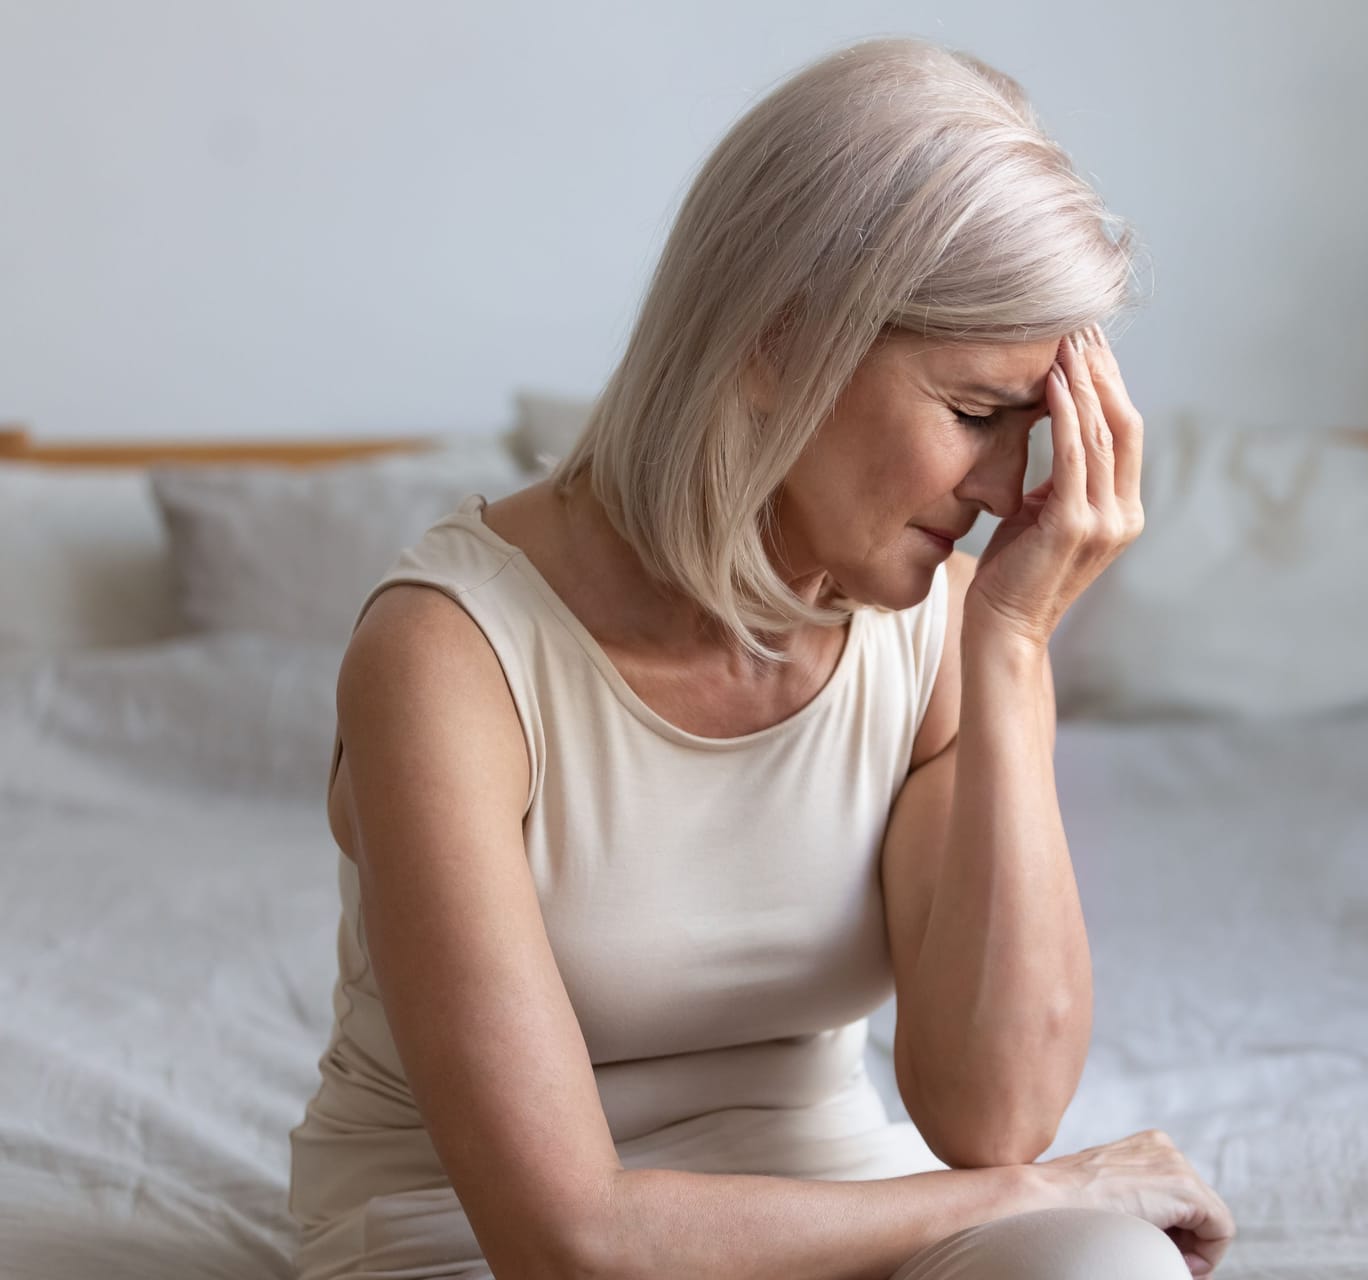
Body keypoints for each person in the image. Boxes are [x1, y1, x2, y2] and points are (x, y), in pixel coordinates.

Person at [286, 33, 1234, 1280]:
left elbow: (991, 1117)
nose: (1014, 489)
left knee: (1102, 1269)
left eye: (1035, 426)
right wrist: (1044, 1189)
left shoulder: (941, 627)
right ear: (779, 341)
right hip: (478, 1243)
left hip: (837, 1206)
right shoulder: (449, 654)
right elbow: (568, 1236)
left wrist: (1009, 647)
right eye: (974, 413)